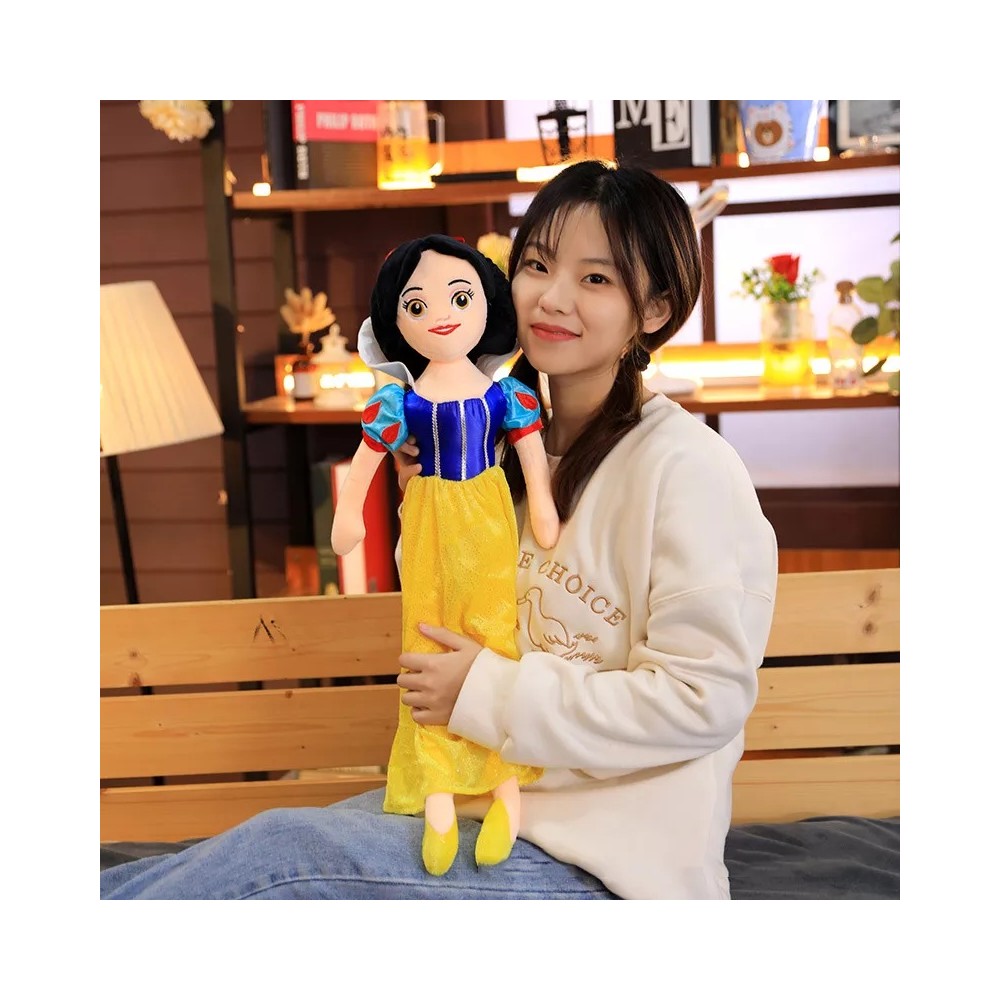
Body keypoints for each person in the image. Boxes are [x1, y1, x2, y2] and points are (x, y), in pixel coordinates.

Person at [100, 159, 778, 901]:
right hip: (473, 802)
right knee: (248, 850)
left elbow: (702, 700)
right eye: (537, 264)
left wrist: (490, 693)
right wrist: (420, 501)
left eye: (596, 278)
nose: (552, 298)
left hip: (604, 865)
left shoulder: (689, 469)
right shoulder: (495, 448)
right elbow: (456, 614)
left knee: (284, 859)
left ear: (655, 308)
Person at [330, 235, 558, 876]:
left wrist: (542, 506)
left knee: (494, 634)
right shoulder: (402, 401)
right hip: (429, 515)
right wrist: (349, 514)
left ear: (487, 304)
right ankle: (438, 793)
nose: (440, 315)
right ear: (395, 319)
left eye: (460, 298)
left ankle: (503, 790)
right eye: (417, 304)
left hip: (486, 512)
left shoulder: (502, 394)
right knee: (426, 639)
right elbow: (367, 461)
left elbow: (531, 456)